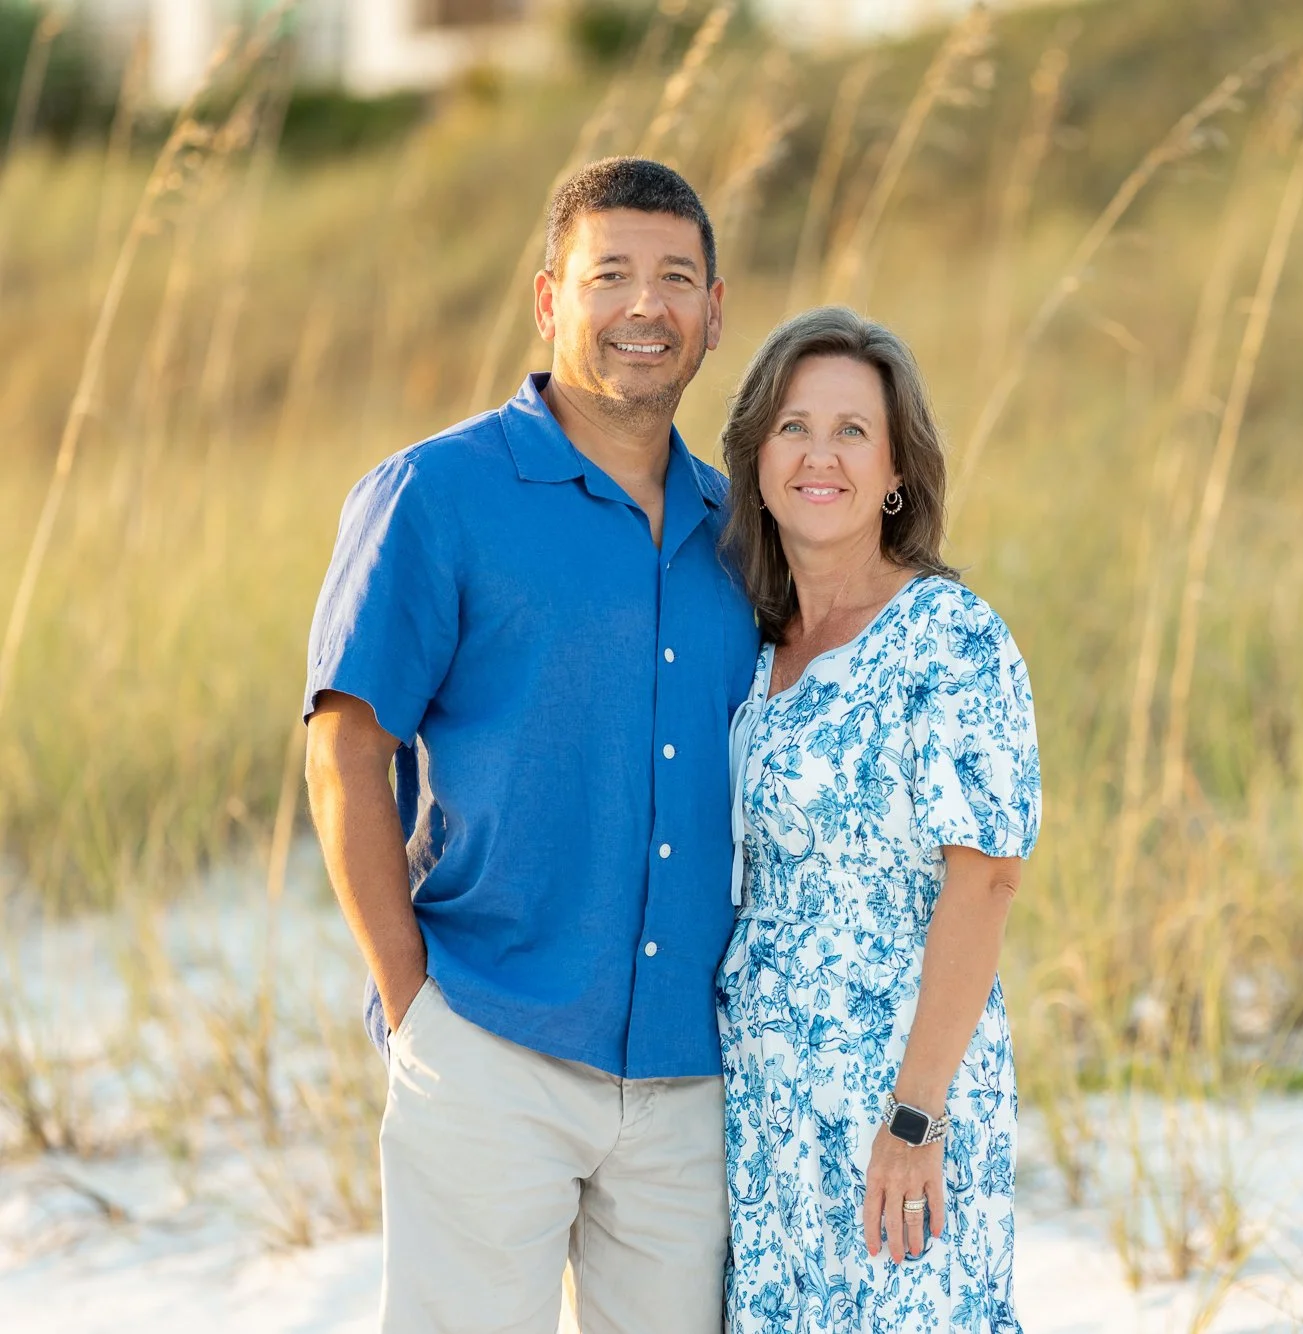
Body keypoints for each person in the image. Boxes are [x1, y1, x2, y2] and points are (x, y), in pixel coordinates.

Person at [300, 157, 757, 1333]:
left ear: (716, 311)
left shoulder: (740, 533)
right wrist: (415, 1010)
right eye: (610, 274)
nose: (643, 305)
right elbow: (345, 751)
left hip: (687, 1075)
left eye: (675, 278)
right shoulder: (435, 494)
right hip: (487, 1040)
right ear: (549, 299)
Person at [714, 306, 1042, 1333]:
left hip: (896, 1093)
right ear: (757, 456)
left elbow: (984, 877)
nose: (821, 454)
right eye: (794, 426)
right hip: (765, 1099)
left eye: (853, 430)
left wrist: (915, 1112)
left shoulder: (947, 636)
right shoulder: (757, 645)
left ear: (896, 469)